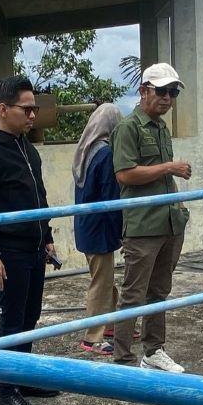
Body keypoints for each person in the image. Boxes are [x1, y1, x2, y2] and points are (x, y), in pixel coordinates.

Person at [0, 75, 61, 405]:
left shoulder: (28, 149)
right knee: (13, 319)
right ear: (3, 109)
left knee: (31, 315)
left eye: (35, 109)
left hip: (34, 248)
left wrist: (47, 236)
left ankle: (23, 377)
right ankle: (6, 392)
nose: (33, 115)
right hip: (10, 251)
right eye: (27, 109)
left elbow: (39, 197)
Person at [110, 63, 193, 373]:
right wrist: (169, 167)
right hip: (143, 226)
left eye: (173, 92)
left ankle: (154, 351)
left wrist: (179, 206)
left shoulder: (161, 128)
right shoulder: (128, 128)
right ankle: (123, 361)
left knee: (159, 292)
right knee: (133, 294)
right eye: (162, 91)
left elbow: (161, 179)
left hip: (169, 222)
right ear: (143, 91)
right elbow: (125, 174)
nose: (168, 98)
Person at [72, 103, 124, 355]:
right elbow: (111, 198)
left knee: (105, 279)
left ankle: (110, 325)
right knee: (101, 283)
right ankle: (92, 338)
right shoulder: (105, 153)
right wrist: (122, 231)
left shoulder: (86, 149)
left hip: (87, 226)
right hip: (100, 228)